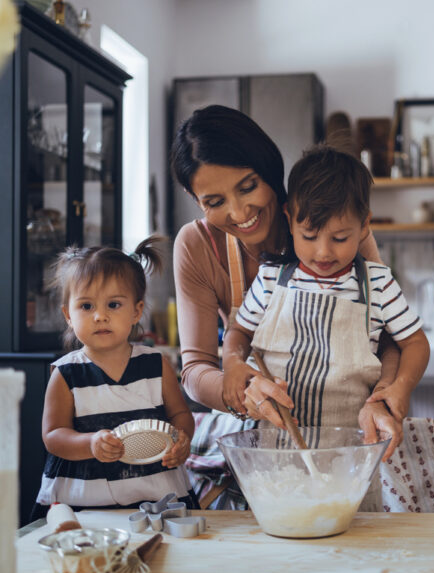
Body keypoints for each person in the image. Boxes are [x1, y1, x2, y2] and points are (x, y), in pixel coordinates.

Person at [171, 105, 406, 509]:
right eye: (214, 201)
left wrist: (384, 397)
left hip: (349, 434)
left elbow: (389, 338)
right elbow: (194, 369)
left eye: (248, 187)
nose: (240, 213)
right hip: (268, 438)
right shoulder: (195, 246)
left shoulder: (328, 223)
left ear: (268, 169)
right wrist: (241, 389)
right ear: (196, 200)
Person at [222, 144, 429, 442]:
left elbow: (415, 343)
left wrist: (400, 388)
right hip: (272, 443)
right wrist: (232, 364)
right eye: (309, 235)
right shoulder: (271, 278)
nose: (323, 252)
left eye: (340, 237)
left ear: (364, 225)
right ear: (289, 219)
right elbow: (239, 331)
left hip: (350, 445)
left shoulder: (378, 284)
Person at [32, 236, 198, 519]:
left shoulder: (155, 364)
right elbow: (53, 436)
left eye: (113, 305)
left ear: (136, 311)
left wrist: (182, 439)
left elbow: (181, 414)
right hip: (85, 502)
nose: (100, 316)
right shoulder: (66, 374)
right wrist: (90, 443)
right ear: (68, 316)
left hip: (157, 494)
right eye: (86, 307)